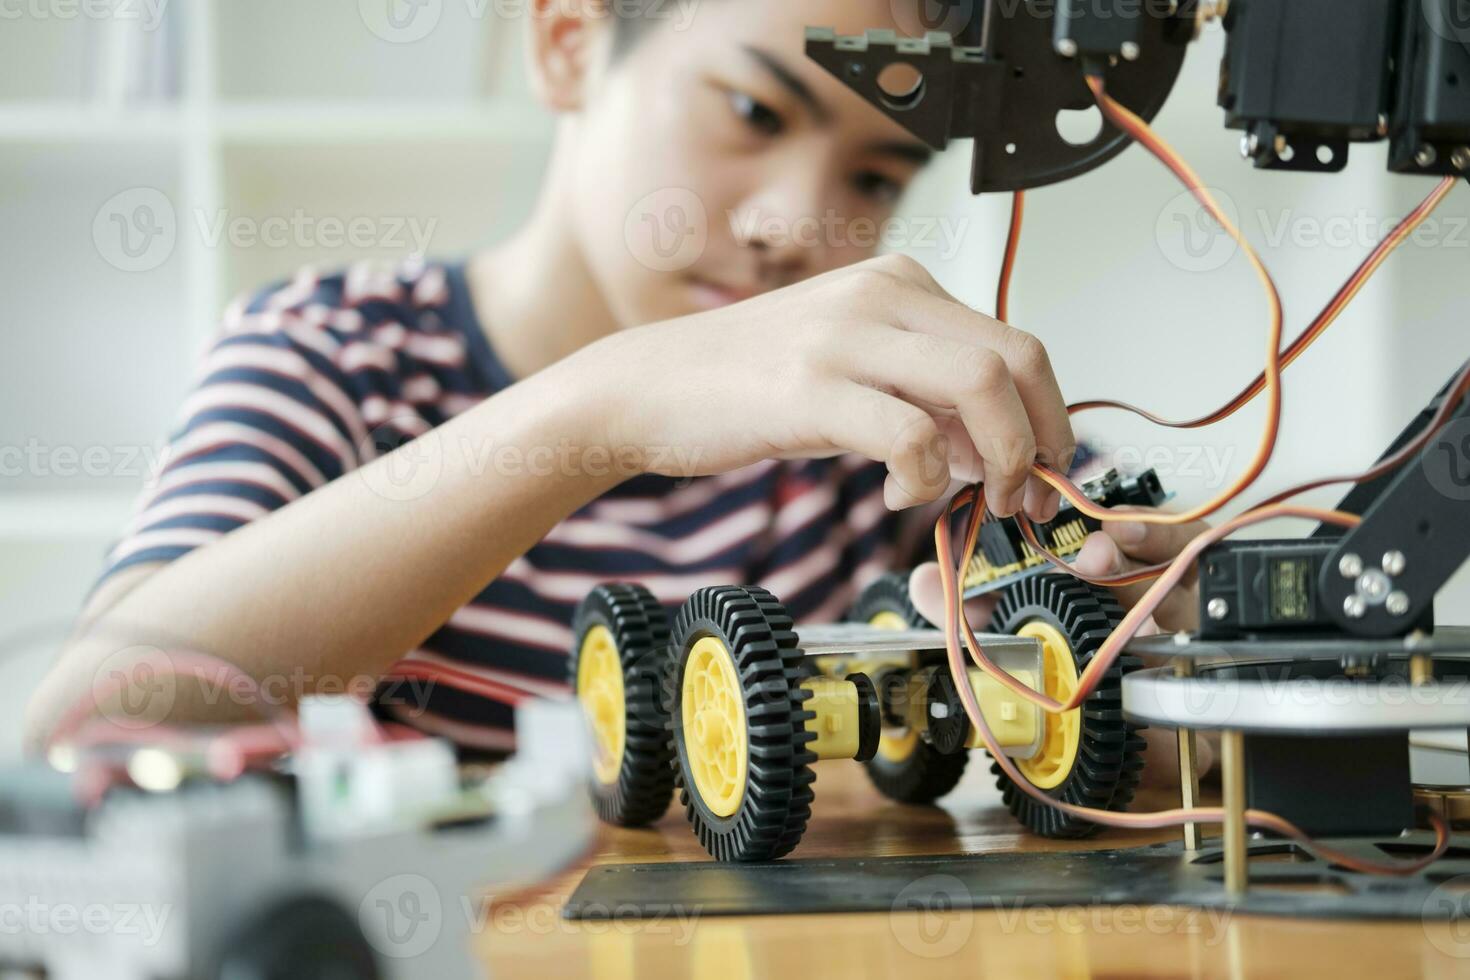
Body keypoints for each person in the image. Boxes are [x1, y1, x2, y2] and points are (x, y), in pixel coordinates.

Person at [24, 0, 1205, 756]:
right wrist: (610, 405)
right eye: (752, 109)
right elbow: (88, 719)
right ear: (567, 42)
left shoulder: (868, 437)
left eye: (876, 174)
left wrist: (1165, 616)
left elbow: (1144, 633)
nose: (796, 223)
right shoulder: (336, 359)